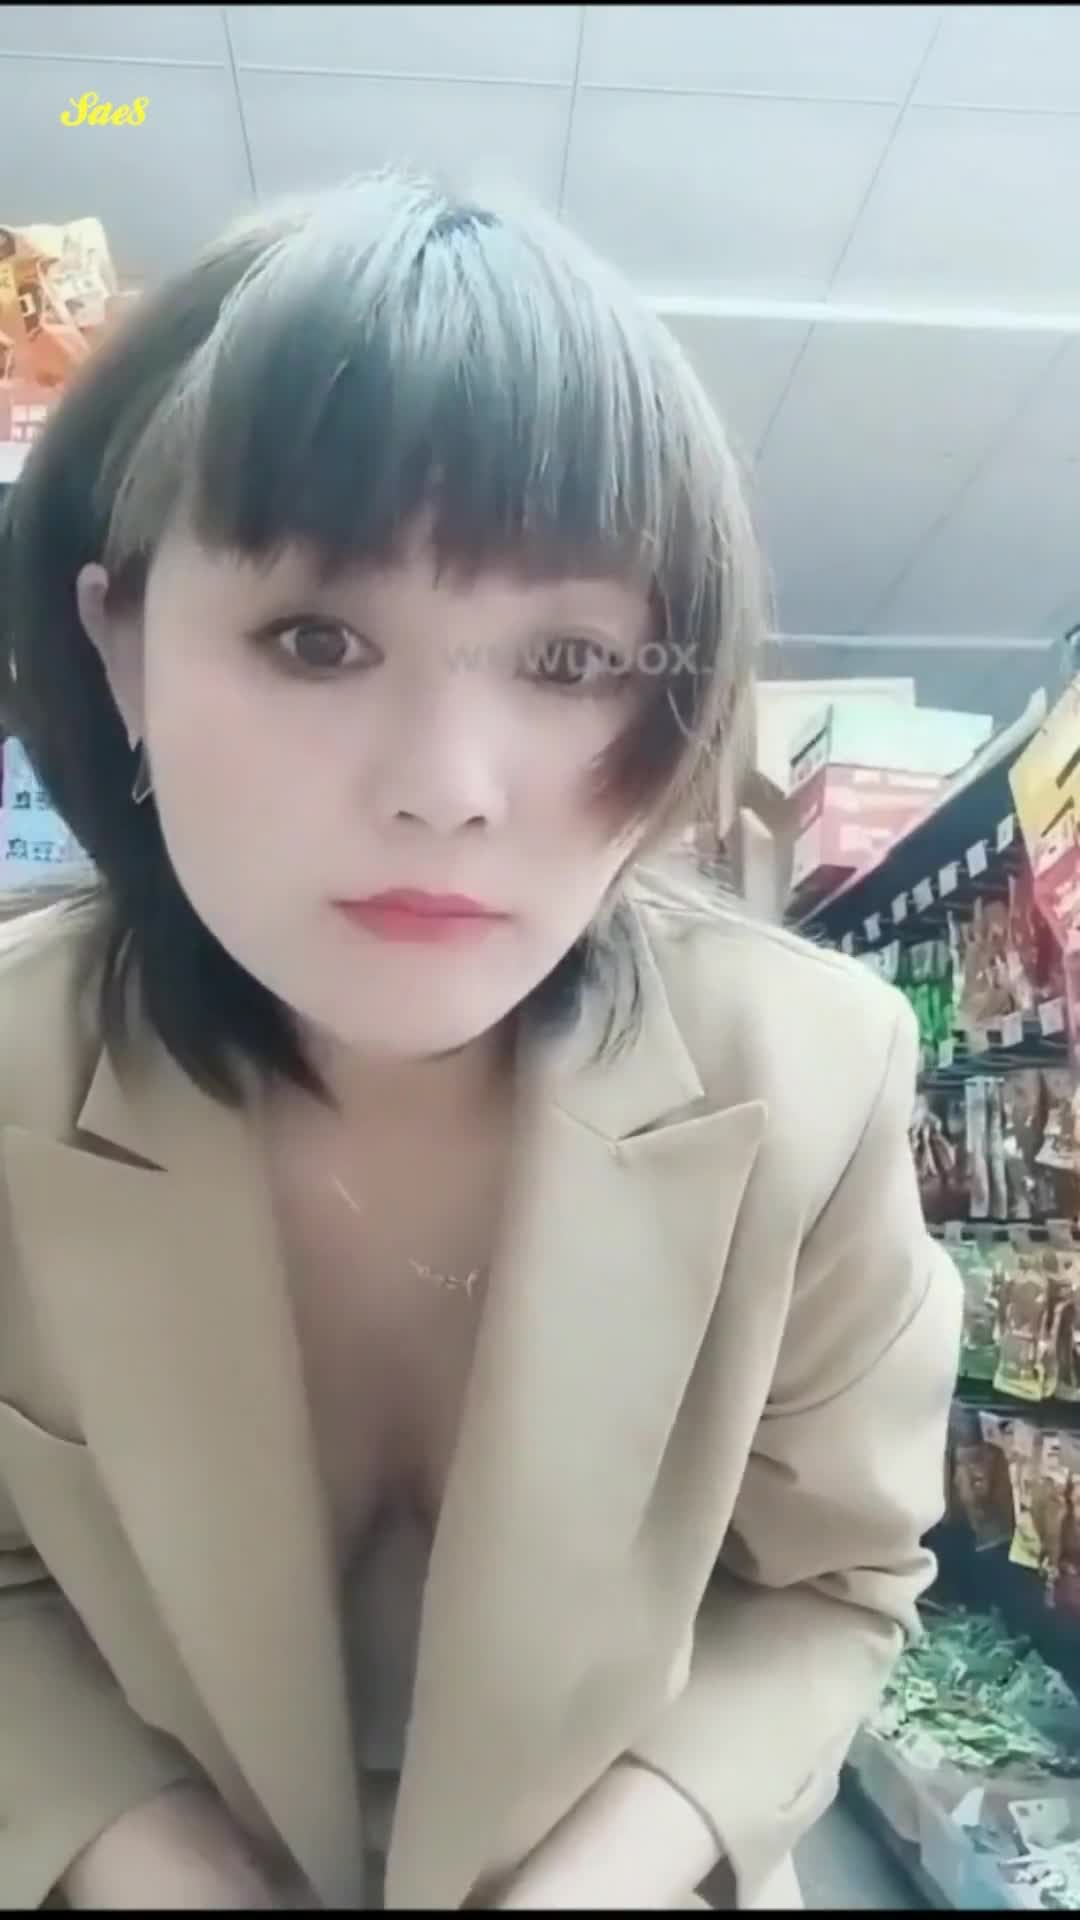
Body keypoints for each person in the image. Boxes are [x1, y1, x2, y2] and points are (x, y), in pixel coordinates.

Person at [0, 171, 959, 1911]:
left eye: (572, 661)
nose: (446, 789)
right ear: (120, 648)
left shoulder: (812, 1080)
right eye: (316, 638)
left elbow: (831, 1584)